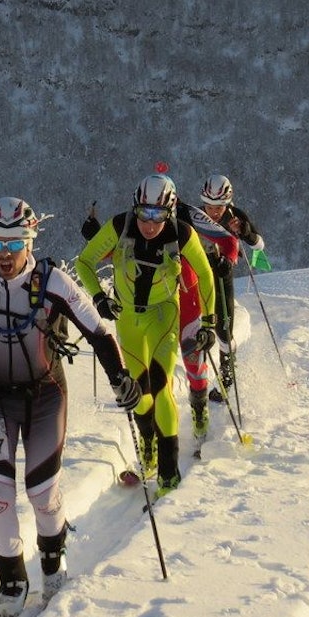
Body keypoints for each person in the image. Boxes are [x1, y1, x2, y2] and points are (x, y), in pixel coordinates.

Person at [0, 197, 140, 617]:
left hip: (45, 395)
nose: (4, 253)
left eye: (15, 241)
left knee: (42, 491)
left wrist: (120, 377)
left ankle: (53, 560)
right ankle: (12, 580)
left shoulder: (55, 282)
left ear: (30, 240)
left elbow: (98, 331)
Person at [75, 175, 216, 496]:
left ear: (169, 212)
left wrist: (209, 321)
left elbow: (205, 273)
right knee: (139, 393)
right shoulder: (120, 225)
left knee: (162, 385)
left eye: (158, 215)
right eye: (144, 213)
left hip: (164, 315)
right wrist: (98, 296)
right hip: (128, 319)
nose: (150, 223)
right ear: (134, 208)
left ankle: (168, 471)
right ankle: (147, 447)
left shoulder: (181, 232)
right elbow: (84, 262)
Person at [178, 174, 267, 402]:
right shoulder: (196, 216)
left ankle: (226, 380)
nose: (214, 211)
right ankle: (198, 378)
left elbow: (259, 245)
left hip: (222, 276)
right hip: (197, 277)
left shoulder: (235, 216)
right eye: (209, 205)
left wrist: (245, 231)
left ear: (228, 202)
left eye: (219, 206)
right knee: (197, 327)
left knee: (223, 331)